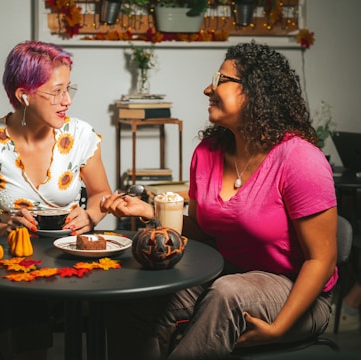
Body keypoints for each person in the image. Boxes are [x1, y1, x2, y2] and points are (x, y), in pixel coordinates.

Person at [100, 41, 338, 359]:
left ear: (255, 92)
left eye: (220, 80)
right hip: (226, 276)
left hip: (295, 291)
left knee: (228, 293)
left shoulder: (300, 160)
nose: (206, 89)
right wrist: (148, 210)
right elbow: (203, 231)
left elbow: (321, 260)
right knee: (133, 297)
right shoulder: (208, 152)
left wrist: (280, 326)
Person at [0, 40, 111, 360]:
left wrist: (91, 216)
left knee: (118, 299)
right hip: (12, 265)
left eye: (69, 89)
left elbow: (100, 194)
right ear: (24, 96)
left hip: (70, 258)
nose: (67, 100)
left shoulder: (80, 136)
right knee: (16, 305)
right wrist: (1, 224)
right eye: (56, 91)